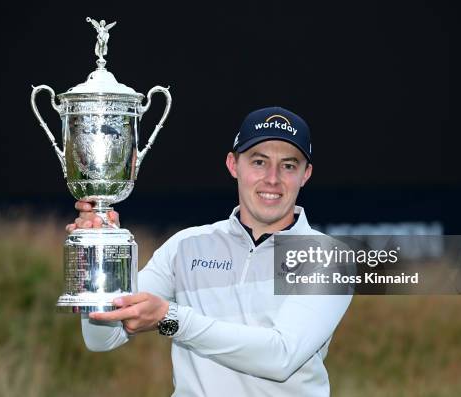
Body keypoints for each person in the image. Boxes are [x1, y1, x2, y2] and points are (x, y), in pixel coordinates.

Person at [67, 106, 352, 396]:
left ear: (306, 174)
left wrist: (172, 319)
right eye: (259, 162)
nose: (273, 179)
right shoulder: (185, 245)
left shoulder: (329, 258)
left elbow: (281, 356)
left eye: (288, 166)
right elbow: (102, 338)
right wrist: (95, 254)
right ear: (233, 165)